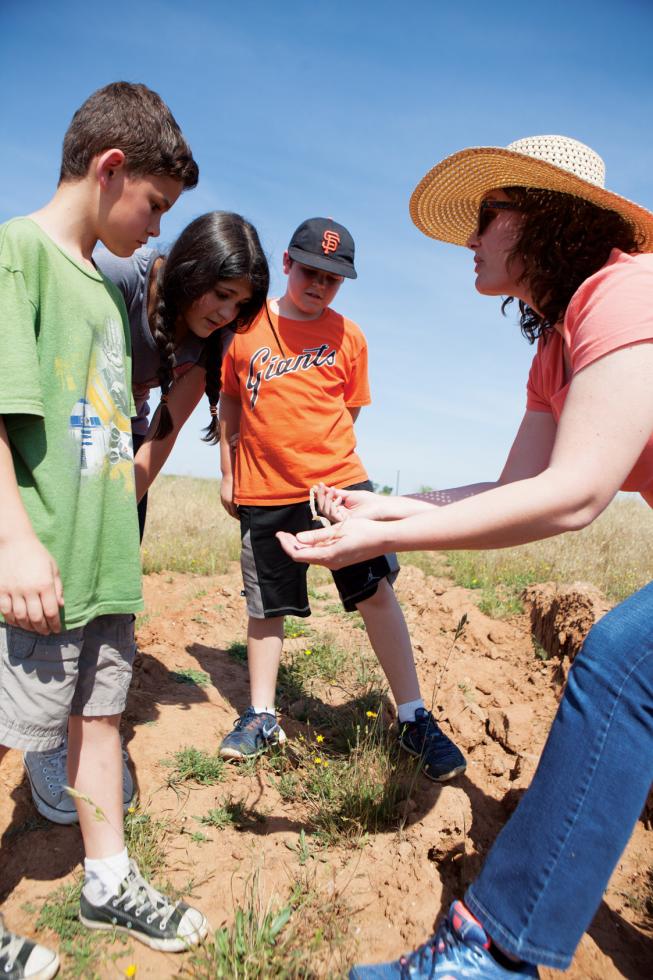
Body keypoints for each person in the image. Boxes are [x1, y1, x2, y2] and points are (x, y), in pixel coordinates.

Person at [277, 136, 653, 978]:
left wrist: (384, 536)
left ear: (548, 219)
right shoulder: (557, 345)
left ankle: (492, 952)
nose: (470, 239)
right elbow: (515, 489)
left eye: (488, 217)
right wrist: (385, 504)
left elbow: (574, 497)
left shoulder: (625, 293)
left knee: (625, 665)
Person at [0, 81, 209, 977]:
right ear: (110, 168)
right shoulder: (19, 255)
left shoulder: (103, 282)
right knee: (13, 729)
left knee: (100, 718)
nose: (158, 227)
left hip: (104, 563)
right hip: (37, 562)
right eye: (155, 206)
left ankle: (108, 879)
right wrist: (13, 540)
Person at [22, 210, 269, 828]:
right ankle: (40, 736)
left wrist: (110, 518)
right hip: (59, 426)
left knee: (101, 587)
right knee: (44, 589)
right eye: (221, 294)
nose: (226, 313)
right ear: (190, 270)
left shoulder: (209, 340)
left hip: (117, 439)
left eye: (240, 304)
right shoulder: (118, 275)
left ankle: (80, 731)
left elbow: (161, 434)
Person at [217, 216, 466, 781]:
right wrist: (228, 469)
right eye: (310, 271)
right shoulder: (247, 328)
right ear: (286, 262)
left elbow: (347, 410)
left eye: (333, 278)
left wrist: (330, 472)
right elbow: (231, 404)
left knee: (374, 592)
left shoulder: (349, 336)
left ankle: (412, 716)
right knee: (266, 609)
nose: (320, 285)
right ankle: (261, 716)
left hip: (340, 490)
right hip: (264, 490)